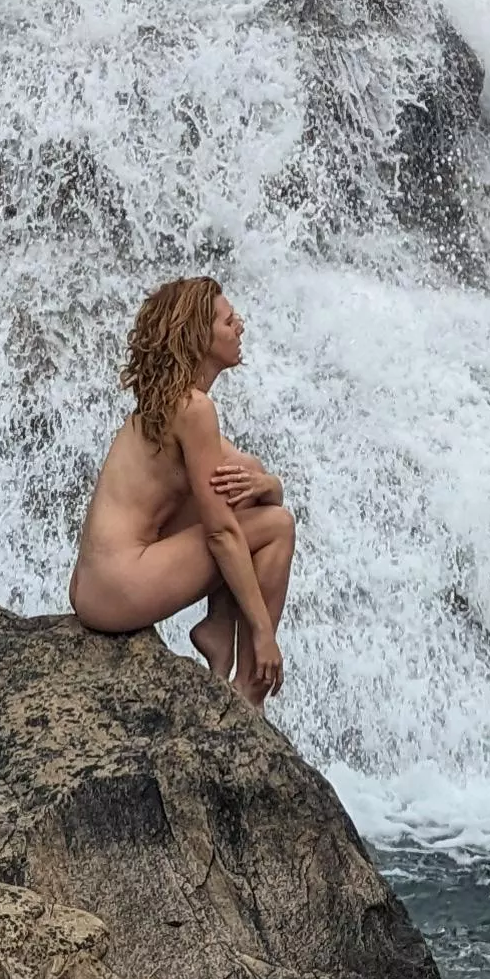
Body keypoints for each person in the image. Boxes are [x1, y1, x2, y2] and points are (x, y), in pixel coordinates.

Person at [68, 274, 296, 708]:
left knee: (237, 496)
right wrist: (264, 632)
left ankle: (216, 629)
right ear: (199, 336)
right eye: (229, 321)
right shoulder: (194, 410)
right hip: (117, 588)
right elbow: (224, 535)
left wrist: (272, 484)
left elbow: (250, 478)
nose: (240, 326)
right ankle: (250, 692)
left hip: (94, 587)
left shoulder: (168, 403)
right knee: (277, 527)